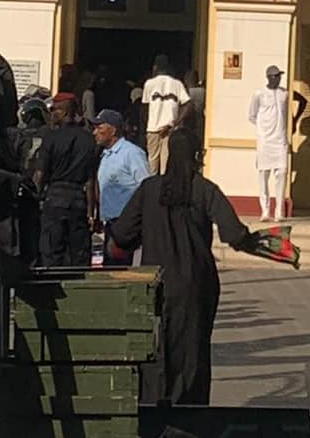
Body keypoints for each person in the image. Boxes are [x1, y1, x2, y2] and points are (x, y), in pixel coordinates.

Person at [105, 130, 260, 405]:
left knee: (155, 349)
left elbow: (122, 234)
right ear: (198, 157)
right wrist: (261, 242)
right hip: (195, 284)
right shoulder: (204, 189)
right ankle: (189, 417)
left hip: (154, 286)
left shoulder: (149, 189)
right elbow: (234, 233)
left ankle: (155, 412)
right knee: (192, 352)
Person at [35, 92, 100, 268]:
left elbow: (40, 174)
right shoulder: (89, 140)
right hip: (78, 201)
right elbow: (91, 180)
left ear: (63, 112)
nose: (52, 114)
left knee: (52, 252)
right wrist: (91, 212)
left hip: (55, 199)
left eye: (54, 110)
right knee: (78, 254)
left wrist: (37, 196)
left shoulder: (50, 138)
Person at [93, 108, 149, 267]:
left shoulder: (132, 154)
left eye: (99, 128)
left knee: (121, 269)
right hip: (110, 222)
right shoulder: (105, 154)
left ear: (113, 130)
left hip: (126, 223)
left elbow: (145, 185)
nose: (95, 132)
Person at [248, 66, 291, 221]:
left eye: (279, 76)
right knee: (264, 175)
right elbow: (252, 116)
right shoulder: (259, 94)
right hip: (265, 141)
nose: (278, 78)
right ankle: (265, 210)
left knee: (281, 174)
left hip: (280, 141)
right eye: (275, 76)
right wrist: (263, 130)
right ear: (269, 77)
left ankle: (279, 210)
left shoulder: (284, 94)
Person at [141, 53, 190, 174]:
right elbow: (189, 105)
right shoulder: (177, 84)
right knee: (166, 166)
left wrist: (145, 127)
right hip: (170, 130)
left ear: (155, 67)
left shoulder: (149, 84)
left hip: (153, 129)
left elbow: (145, 107)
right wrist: (175, 122)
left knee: (152, 165)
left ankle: (152, 190)